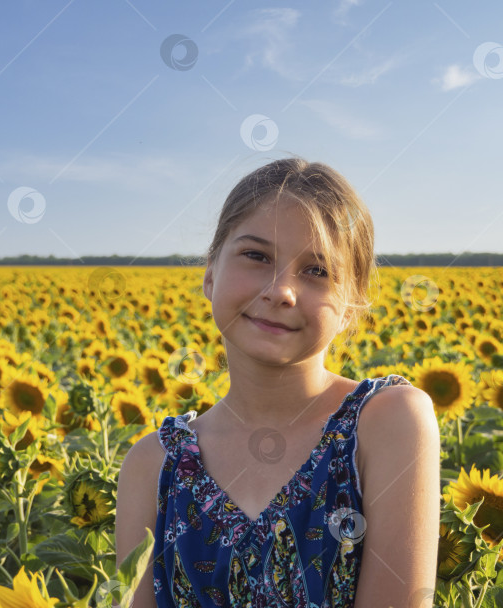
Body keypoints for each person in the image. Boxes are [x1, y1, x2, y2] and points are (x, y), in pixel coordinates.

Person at [116, 157, 441, 608]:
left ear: (349, 305)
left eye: (317, 271)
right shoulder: (153, 465)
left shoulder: (386, 422)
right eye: (256, 256)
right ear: (210, 273)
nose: (280, 291)